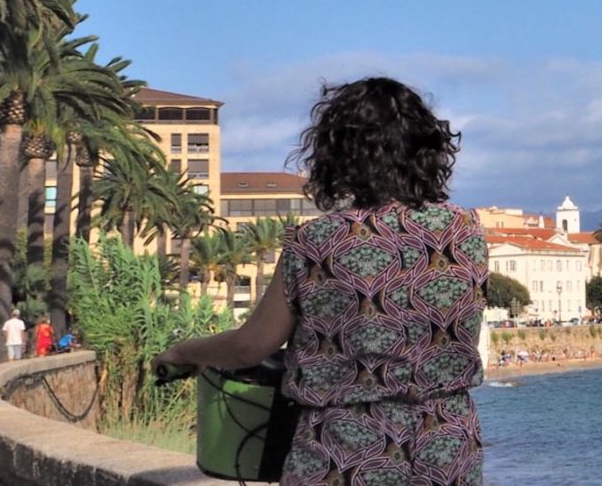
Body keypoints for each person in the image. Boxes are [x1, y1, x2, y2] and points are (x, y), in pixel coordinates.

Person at [152, 77, 488, 485]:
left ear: (338, 155)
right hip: (446, 448)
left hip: (345, 451)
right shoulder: (465, 231)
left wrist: (182, 352)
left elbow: (250, 346)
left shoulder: (317, 243)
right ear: (426, 151)